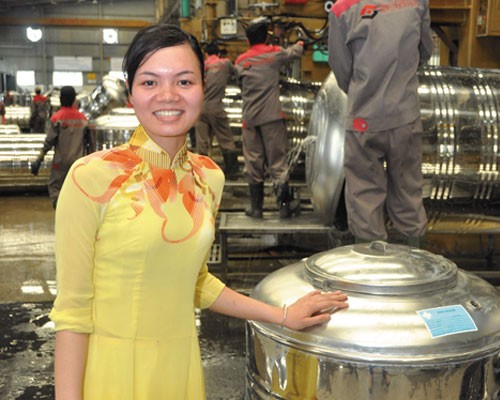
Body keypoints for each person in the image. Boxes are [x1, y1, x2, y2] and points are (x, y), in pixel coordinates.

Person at [49, 24, 349, 400]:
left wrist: (282, 315)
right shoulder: (91, 178)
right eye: (149, 82)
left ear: (203, 89)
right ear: (130, 94)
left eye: (184, 81)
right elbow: (73, 313)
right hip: (112, 375)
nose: (168, 96)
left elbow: (195, 280)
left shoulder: (208, 176)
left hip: (181, 369)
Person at [328, 0, 434, 247]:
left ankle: (371, 276)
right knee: (409, 193)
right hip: (405, 115)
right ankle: (416, 269)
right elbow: (425, 50)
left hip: (364, 118)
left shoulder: (342, 9)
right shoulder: (417, 2)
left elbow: (341, 67)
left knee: (364, 195)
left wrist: (364, 90)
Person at [235, 20, 304, 219]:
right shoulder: (273, 53)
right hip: (271, 117)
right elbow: (294, 53)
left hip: (249, 119)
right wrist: (300, 43)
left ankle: (256, 208)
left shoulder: (240, 61)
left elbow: (241, 85)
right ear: (266, 36)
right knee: (277, 162)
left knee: (253, 162)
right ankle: (284, 207)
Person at [30, 86, 92, 209]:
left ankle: (60, 211)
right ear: (74, 99)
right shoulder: (83, 120)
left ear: (61, 99)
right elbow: (89, 144)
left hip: (60, 164)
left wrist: (39, 160)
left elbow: (49, 142)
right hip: (78, 163)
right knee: (77, 189)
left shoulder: (56, 118)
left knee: (55, 187)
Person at [195, 42, 239, 180]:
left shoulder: (201, 66)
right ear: (218, 53)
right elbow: (237, 73)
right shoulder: (225, 63)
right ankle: (231, 170)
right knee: (225, 139)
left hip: (200, 108)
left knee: (202, 142)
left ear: (206, 54)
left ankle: (202, 172)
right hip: (216, 107)